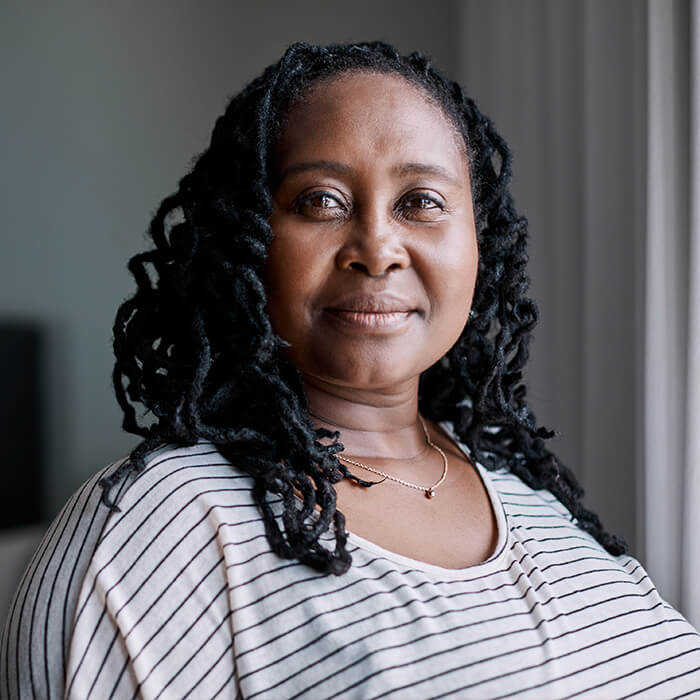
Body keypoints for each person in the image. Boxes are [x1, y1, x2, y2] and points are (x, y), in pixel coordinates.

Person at [2, 41, 699, 700]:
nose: (376, 247)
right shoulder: (158, 524)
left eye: (420, 202)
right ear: (244, 241)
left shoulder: (523, 492)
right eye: (321, 202)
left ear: (479, 244)